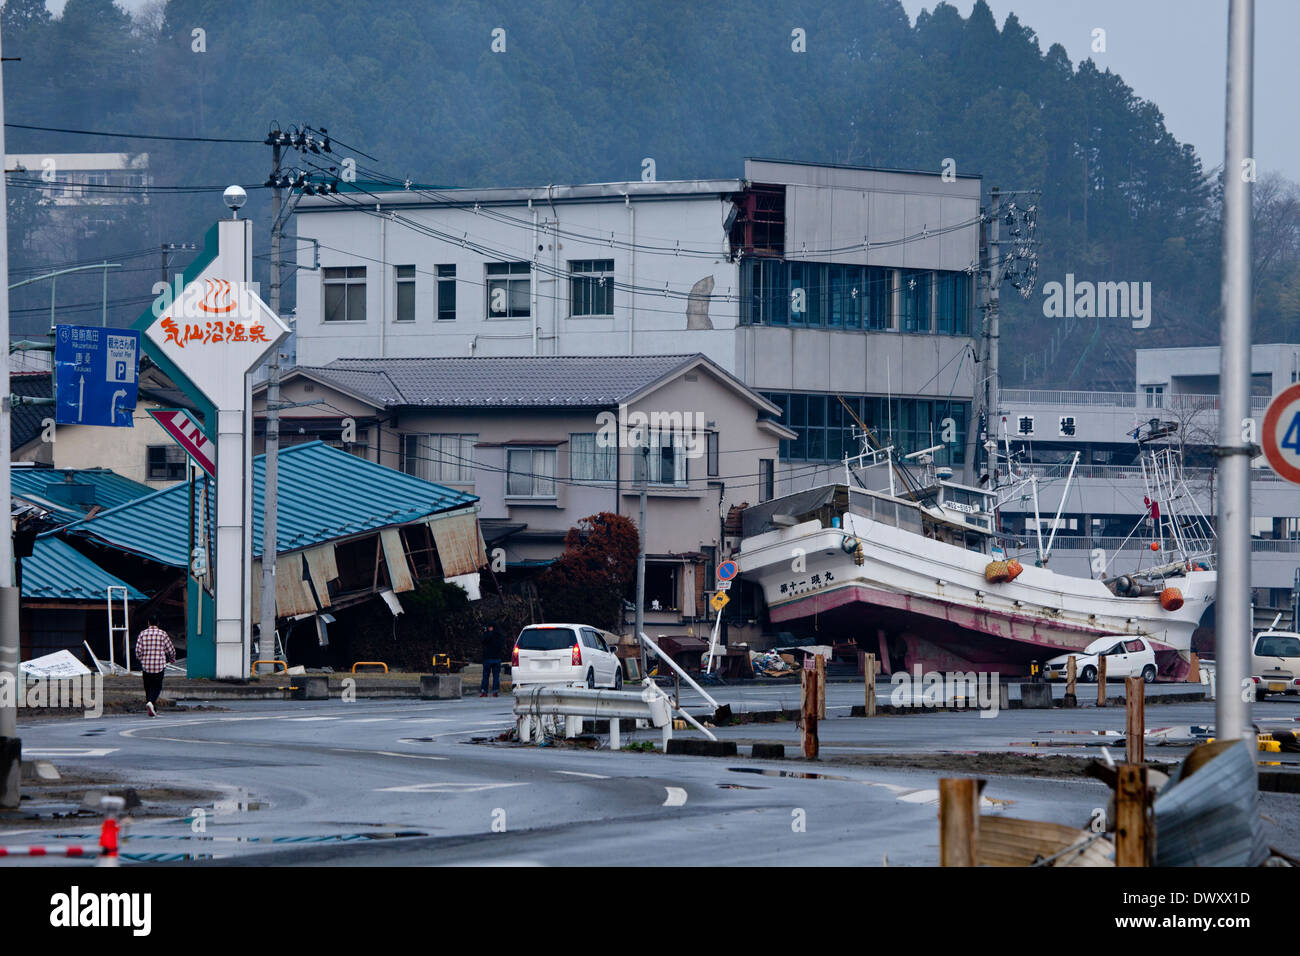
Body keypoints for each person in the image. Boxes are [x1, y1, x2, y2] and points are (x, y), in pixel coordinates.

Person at [135, 616, 176, 717]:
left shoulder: (142, 634)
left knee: (148, 687)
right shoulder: (163, 634)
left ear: (148, 622)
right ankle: (151, 702)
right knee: (157, 687)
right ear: (158, 623)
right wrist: (172, 658)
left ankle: (152, 707)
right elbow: (170, 649)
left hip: (146, 666)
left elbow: (138, 651)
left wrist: (142, 659)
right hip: (159, 665)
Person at [480, 621, 505, 698]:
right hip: (497, 658)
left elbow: (483, 641)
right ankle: (495, 692)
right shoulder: (500, 635)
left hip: (488, 658)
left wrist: (485, 632)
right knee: (496, 676)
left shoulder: (488, 634)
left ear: (491, 627)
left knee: (485, 676)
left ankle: (484, 691)